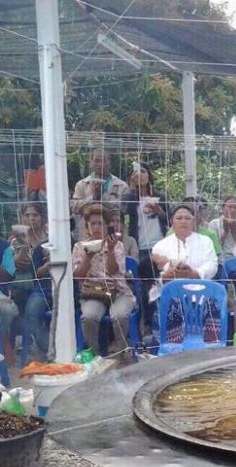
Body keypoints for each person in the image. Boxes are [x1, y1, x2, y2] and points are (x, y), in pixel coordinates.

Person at [71, 205, 135, 359]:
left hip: (118, 291)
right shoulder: (80, 247)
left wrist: (110, 250)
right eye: (92, 224)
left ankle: (122, 353)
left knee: (119, 316)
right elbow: (77, 276)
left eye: (100, 223)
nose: (96, 227)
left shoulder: (117, 245)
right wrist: (88, 256)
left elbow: (113, 271)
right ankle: (94, 355)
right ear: (87, 226)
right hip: (93, 293)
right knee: (89, 317)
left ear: (107, 226)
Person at [1, 203, 51, 356]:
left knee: (32, 309)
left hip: (45, 285)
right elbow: (18, 264)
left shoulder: (50, 238)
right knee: (19, 301)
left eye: (35, 215)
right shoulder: (15, 240)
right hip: (22, 285)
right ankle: (40, 345)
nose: (31, 219)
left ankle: (45, 347)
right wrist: (23, 244)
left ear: (42, 218)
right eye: (27, 215)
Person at [70, 148, 129, 240]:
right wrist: (93, 197)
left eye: (104, 160)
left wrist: (102, 197)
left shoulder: (122, 185)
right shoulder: (81, 184)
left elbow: (124, 209)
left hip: (112, 235)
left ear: (109, 162)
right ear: (91, 162)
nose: (101, 164)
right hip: (87, 234)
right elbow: (75, 207)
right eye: (97, 160)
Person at [151, 204, 219, 283]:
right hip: (171, 289)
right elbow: (154, 273)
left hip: (200, 288)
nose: (183, 222)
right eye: (179, 218)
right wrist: (166, 274)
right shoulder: (160, 246)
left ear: (193, 221)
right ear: (171, 222)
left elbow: (212, 265)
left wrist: (193, 273)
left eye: (187, 218)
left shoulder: (205, 241)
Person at [122, 162, 167, 257]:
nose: (139, 175)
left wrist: (158, 210)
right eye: (135, 173)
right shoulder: (128, 197)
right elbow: (127, 216)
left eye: (143, 171)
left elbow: (169, 221)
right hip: (140, 247)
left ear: (149, 175)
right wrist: (133, 189)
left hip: (160, 245)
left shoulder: (160, 197)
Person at [208, 195, 236, 262]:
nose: (232, 210)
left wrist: (234, 233)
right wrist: (225, 233)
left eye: (235, 207)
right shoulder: (214, 224)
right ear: (223, 209)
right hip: (219, 263)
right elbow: (212, 249)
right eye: (229, 207)